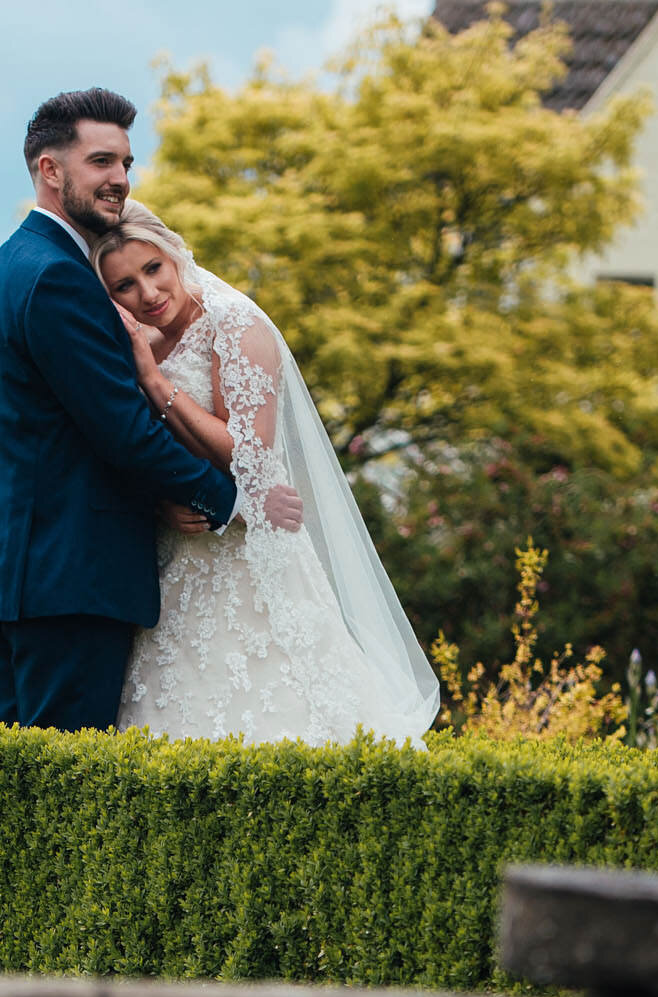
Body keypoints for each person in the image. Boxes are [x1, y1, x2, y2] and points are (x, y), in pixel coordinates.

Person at [0, 90, 302, 732]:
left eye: (127, 163)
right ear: (50, 170)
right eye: (101, 161)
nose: (120, 180)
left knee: (19, 783)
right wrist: (233, 499)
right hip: (64, 574)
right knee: (63, 788)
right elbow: (122, 431)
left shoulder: (15, 260)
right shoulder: (56, 275)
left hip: (17, 568)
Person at [96, 203, 441, 744]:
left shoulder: (235, 323)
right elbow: (143, 453)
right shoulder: (148, 344)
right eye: (124, 286)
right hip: (179, 561)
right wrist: (162, 503)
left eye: (153, 268)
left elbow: (247, 457)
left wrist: (153, 381)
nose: (147, 293)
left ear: (176, 254)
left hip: (252, 557)